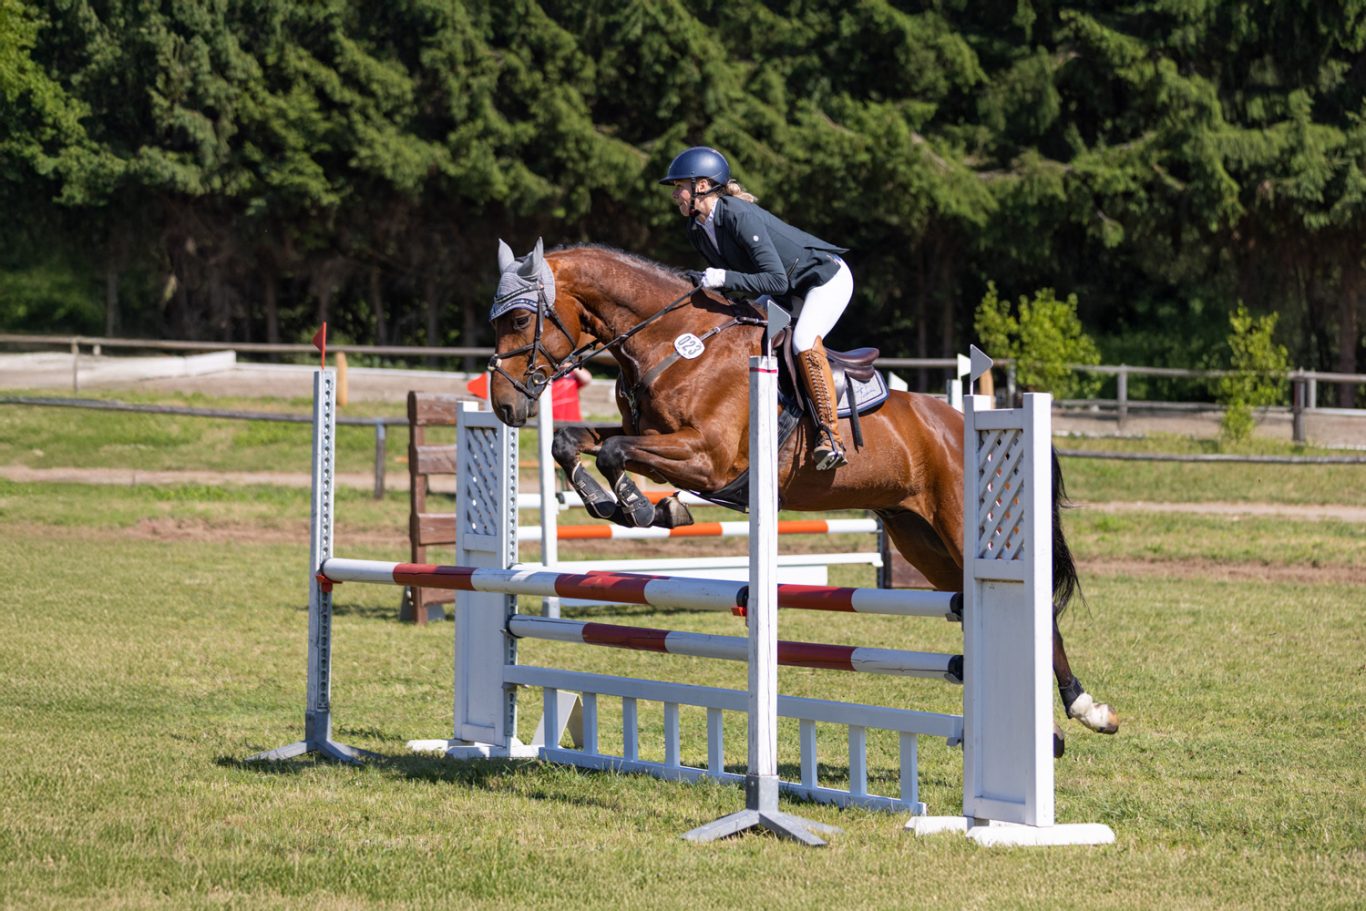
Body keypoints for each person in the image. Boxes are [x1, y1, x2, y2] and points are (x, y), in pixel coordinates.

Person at [660, 146, 853, 470]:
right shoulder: (697, 229)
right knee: (741, 333)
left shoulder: (738, 215)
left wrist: (721, 277)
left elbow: (775, 280)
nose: (676, 194)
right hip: (785, 289)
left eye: (680, 186)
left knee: (804, 340)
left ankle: (830, 436)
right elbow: (741, 286)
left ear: (703, 186)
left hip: (823, 280)